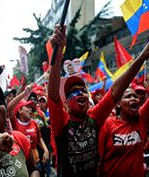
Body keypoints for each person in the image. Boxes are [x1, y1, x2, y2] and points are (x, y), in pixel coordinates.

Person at [47, 24, 149, 177]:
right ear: (66, 104)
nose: (81, 93)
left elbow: (115, 90)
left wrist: (142, 56)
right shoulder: (61, 121)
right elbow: (53, 94)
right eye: (74, 92)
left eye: (83, 91)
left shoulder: (95, 118)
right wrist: (58, 53)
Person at [98, 86, 149, 177]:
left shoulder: (141, 119)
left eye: (135, 96)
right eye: (128, 96)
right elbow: (98, 159)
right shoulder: (107, 124)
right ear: (118, 104)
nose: (133, 98)